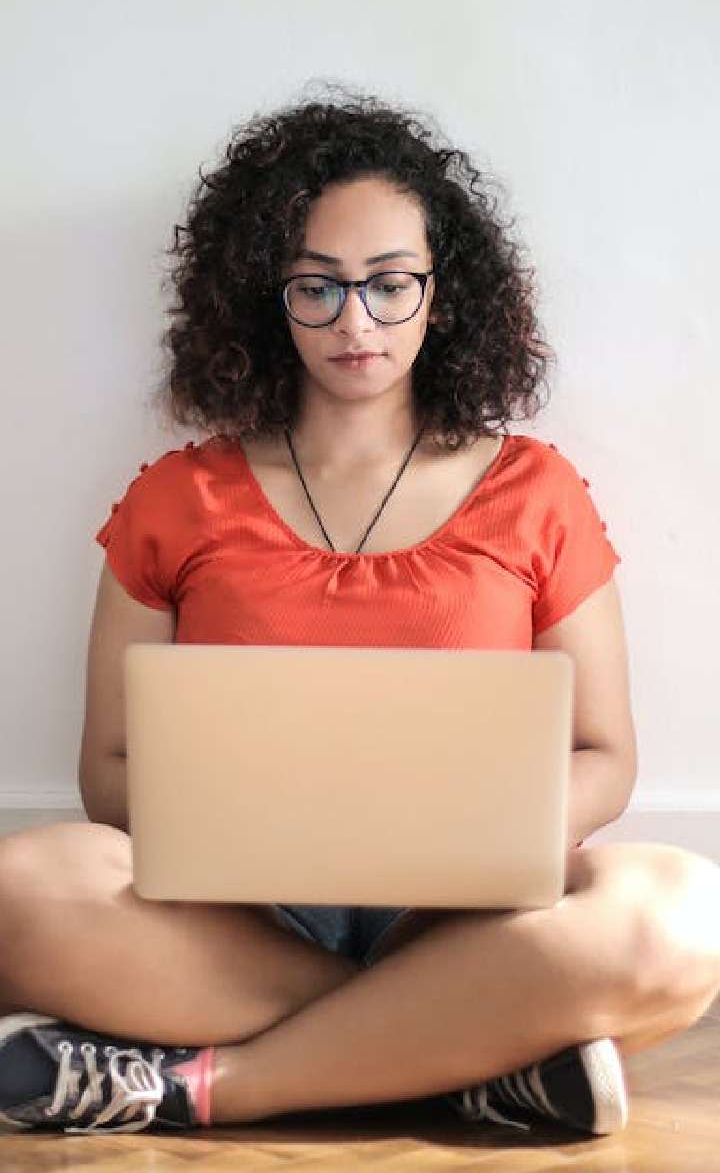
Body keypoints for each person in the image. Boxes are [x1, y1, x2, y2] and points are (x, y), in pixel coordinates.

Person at [1, 87, 718, 1138]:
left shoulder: (537, 490)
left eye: (389, 283)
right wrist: (249, 822)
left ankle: (201, 1085)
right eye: (317, 287)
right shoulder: (176, 496)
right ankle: (465, 1055)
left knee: (679, 917)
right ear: (267, 298)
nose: (355, 322)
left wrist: (480, 834)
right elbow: (106, 772)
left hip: (462, 916)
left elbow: (604, 756)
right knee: (21, 886)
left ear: (442, 293)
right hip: (237, 916)